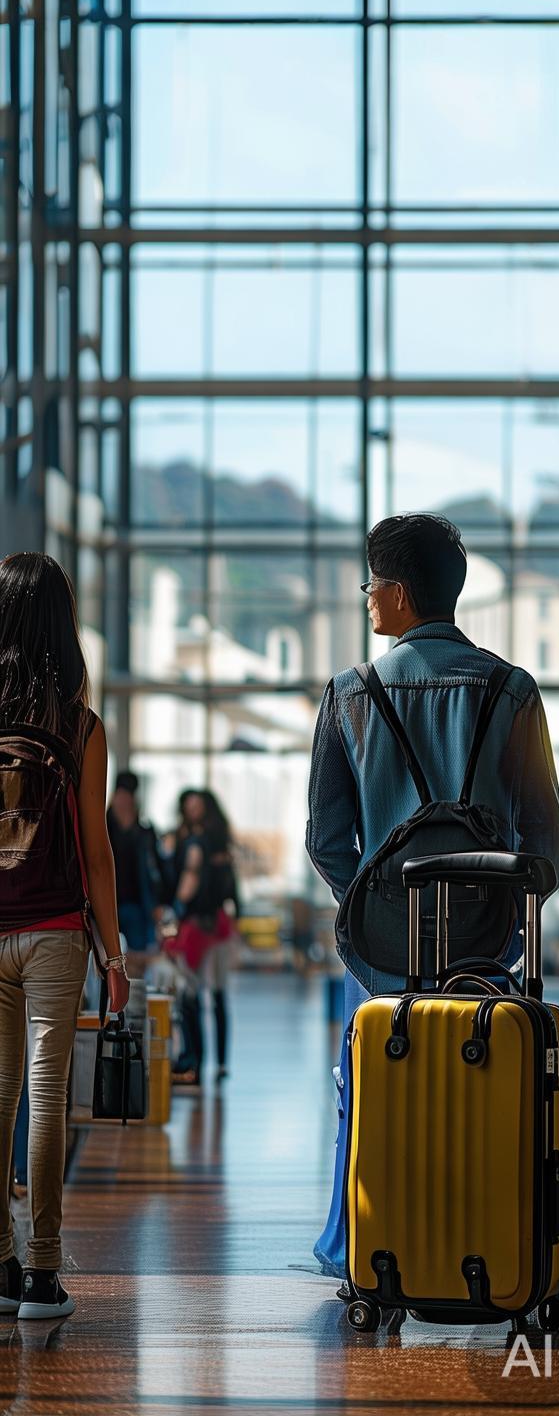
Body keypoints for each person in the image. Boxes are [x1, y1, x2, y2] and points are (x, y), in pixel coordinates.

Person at [305, 513, 559, 1281]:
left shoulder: (350, 692)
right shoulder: (513, 691)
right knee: (483, 1077)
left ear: (398, 594)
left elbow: (327, 838)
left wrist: (374, 908)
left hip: (384, 942)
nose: (366, 599)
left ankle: (361, 1246)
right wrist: (501, 919)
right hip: (488, 943)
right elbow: (545, 841)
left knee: (375, 1078)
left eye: (371, 585)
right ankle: (481, 1243)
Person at [0, 552, 129, 1320]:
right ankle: (44, 1275)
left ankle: (1, 1265)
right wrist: (114, 956)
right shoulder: (80, 725)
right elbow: (98, 853)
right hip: (55, 931)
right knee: (47, 1100)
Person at [167, 789, 236, 1085]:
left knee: (200, 994)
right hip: (209, 924)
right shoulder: (199, 841)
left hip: (203, 925)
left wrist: (177, 909)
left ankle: (205, 1061)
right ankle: (208, 1062)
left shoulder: (199, 842)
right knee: (205, 995)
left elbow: (193, 878)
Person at [107, 771, 164, 956]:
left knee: (137, 958)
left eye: (128, 796)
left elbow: (155, 870)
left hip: (136, 904)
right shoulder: (103, 827)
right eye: (120, 796)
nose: (124, 801)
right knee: (105, 960)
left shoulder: (144, 831)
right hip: (105, 903)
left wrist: (157, 903)